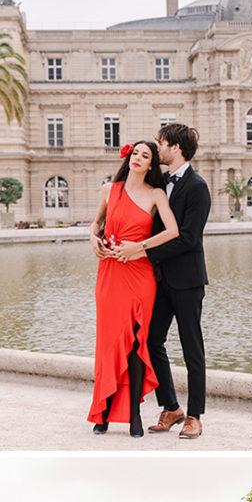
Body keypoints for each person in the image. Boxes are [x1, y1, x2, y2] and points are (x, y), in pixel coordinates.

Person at [117, 123, 211, 439]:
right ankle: (171, 406)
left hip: (187, 281)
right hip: (158, 281)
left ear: (176, 148)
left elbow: (188, 239)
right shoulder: (160, 183)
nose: (157, 149)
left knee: (192, 347)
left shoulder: (197, 187)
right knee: (152, 341)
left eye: (161, 144)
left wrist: (142, 252)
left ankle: (195, 416)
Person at [88, 141, 179, 436]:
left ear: (152, 164)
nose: (138, 158)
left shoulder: (155, 194)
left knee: (136, 344)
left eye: (145, 155)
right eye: (135, 153)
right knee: (109, 343)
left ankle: (134, 415)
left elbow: (172, 231)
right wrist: (93, 240)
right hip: (110, 272)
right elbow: (96, 224)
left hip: (140, 274)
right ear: (127, 158)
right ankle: (102, 411)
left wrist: (139, 246)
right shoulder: (108, 190)